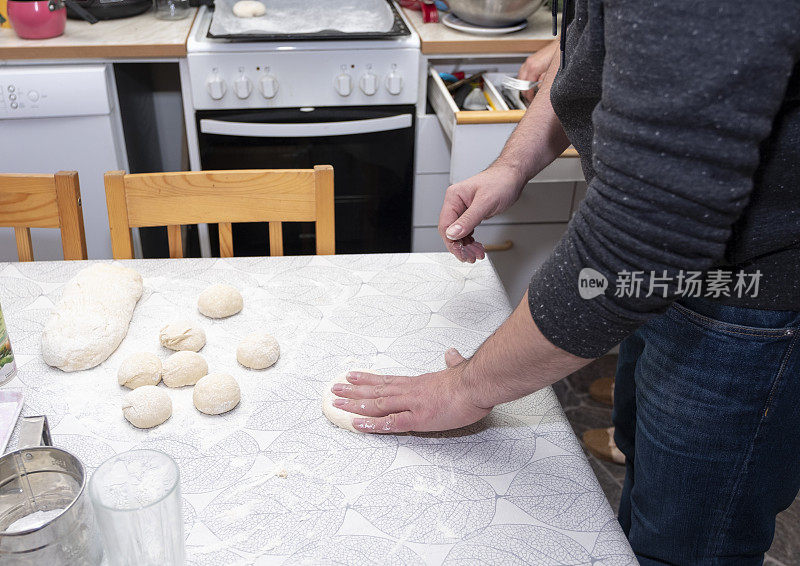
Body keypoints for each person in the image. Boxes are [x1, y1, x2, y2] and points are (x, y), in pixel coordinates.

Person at [330, 1, 800, 563]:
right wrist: (511, 165)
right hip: (669, 282)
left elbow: (637, 245)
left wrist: (463, 390)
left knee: (688, 543)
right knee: (642, 461)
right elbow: (583, 51)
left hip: (752, 300)